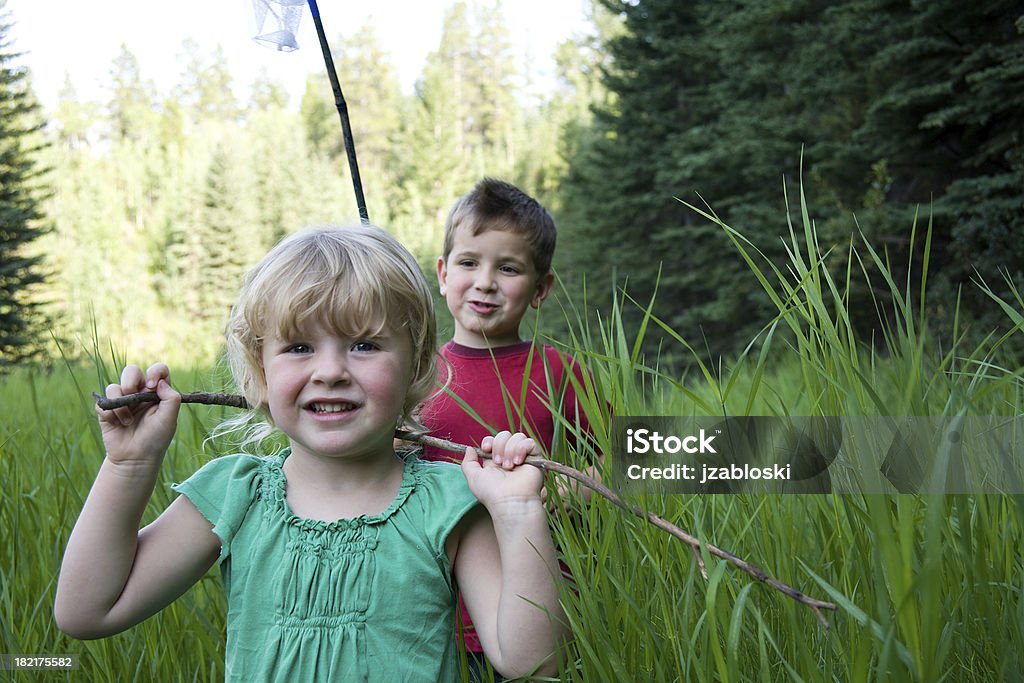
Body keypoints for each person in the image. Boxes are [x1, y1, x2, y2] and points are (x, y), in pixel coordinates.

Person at [54, 224, 567, 682]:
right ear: (260, 371)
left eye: (364, 345)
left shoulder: (449, 501)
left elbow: (532, 663)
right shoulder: (236, 495)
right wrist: (129, 466)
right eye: (299, 347)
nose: (331, 371)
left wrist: (519, 513)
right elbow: (87, 612)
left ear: (415, 365)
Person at [419, 178, 602, 678]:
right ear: (442, 273)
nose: (484, 281)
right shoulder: (411, 378)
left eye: (508, 268)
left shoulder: (558, 372)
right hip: (436, 610)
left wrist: (568, 491)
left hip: (546, 603)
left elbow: (625, 460)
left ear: (540, 289)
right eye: (469, 262)